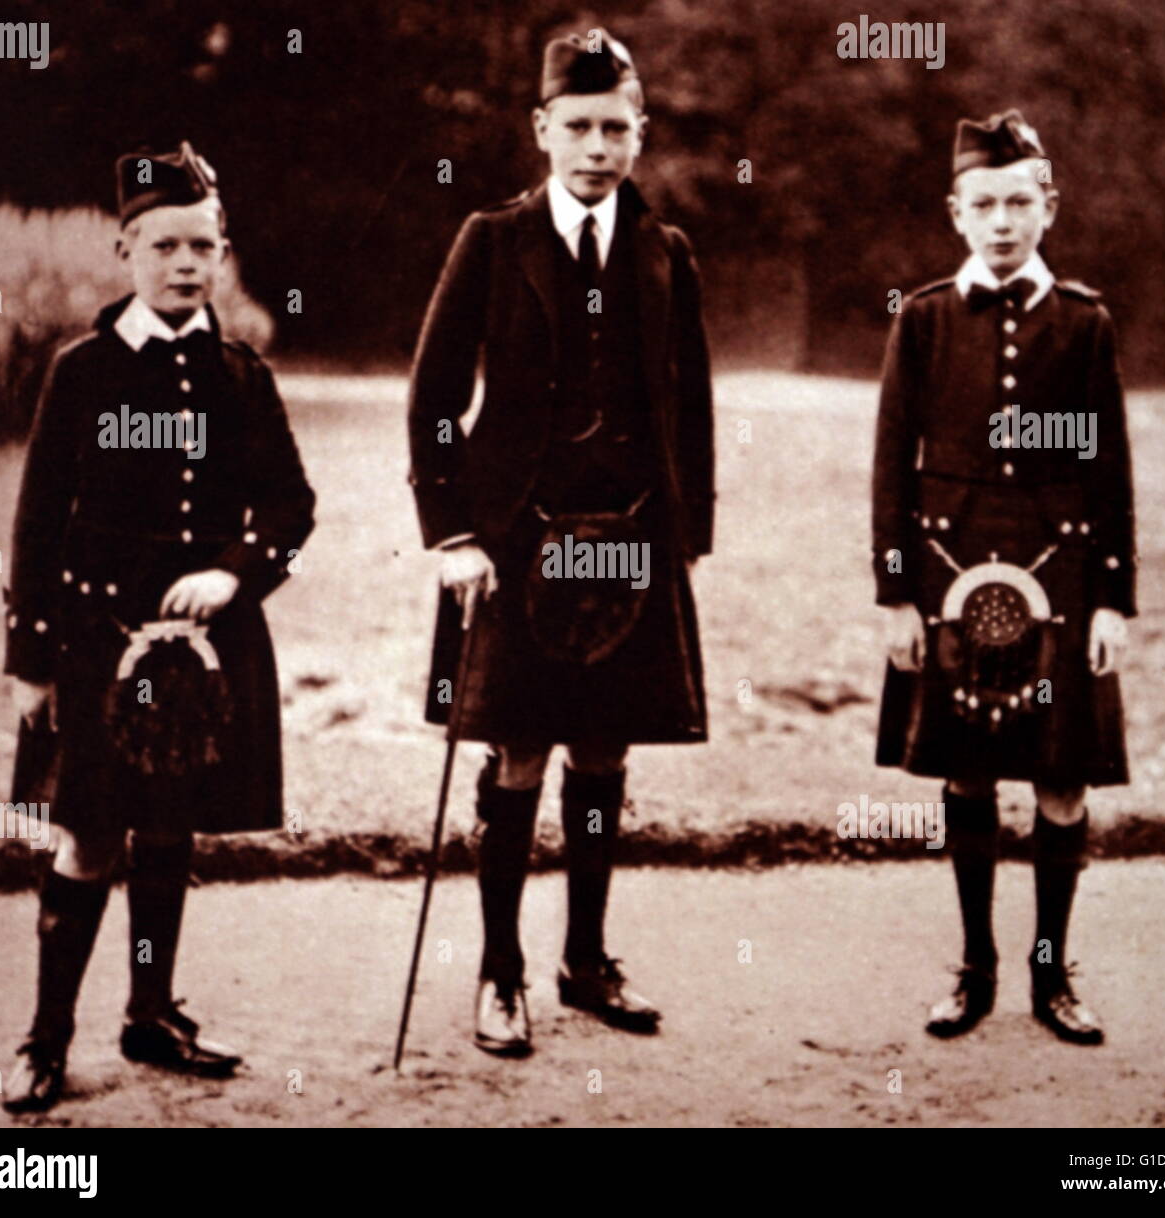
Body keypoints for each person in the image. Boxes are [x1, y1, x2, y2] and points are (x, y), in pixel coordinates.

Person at [407, 29, 714, 1056]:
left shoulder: (665, 255)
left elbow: (691, 407)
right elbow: (435, 400)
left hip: (627, 543)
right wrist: (451, 533)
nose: (597, 146)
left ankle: (586, 961)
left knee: (604, 749)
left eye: (615, 127)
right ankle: (502, 972)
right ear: (542, 130)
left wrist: (687, 536)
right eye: (577, 126)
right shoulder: (492, 241)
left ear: (640, 133)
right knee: (519, 750)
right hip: (516, 544)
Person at [2, 141, 315, 1112]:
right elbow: (36, 517)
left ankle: (150, 1014)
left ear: (223, 254)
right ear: (123, 249)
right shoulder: (82, 372)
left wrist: (234, 574)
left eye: (204, 246)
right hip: (97, 645)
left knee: (171, 827)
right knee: (90, 836)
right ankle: (44, 1041)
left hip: (200, 661)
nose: (186, 264)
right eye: (164, 244)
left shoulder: (239, 376)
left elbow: (292, 509)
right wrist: (30, 661)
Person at [871, 110, 1136, 1045]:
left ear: (1049, 207)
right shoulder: (926, 318)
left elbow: (1108, 469)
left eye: (1020, 201)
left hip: (1060, 583)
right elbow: (891, 464)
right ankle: (976, 966)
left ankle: (1051, 974)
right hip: (949, 578)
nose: (1002, 221)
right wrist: (895, 592)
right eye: (983, 203)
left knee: (1064, 780)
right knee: (968, 773)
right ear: (955, 212)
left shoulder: (1086, 321)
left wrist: (1112, 598)